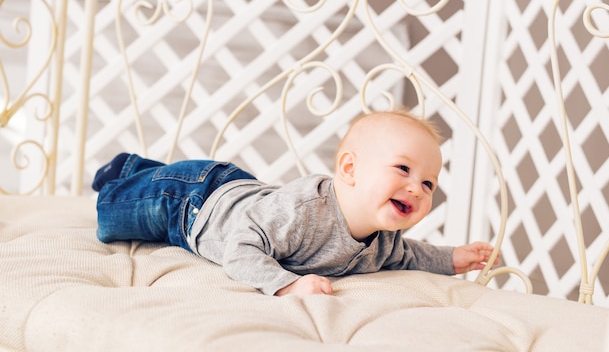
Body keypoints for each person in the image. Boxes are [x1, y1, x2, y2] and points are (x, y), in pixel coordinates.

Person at [93, 110, 497, 297]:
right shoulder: (305, 212)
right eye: (403, 169)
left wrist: (453, 259)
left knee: (140, 193)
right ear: (350, 169)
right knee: (110, 216)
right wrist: (286, 285)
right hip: (195, 202)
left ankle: (139, 169)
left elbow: (410, 257)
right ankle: (121, 170)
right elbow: (240, 248)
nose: (417, 188)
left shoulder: (381, 242)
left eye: (428, 182)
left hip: (245, 194)